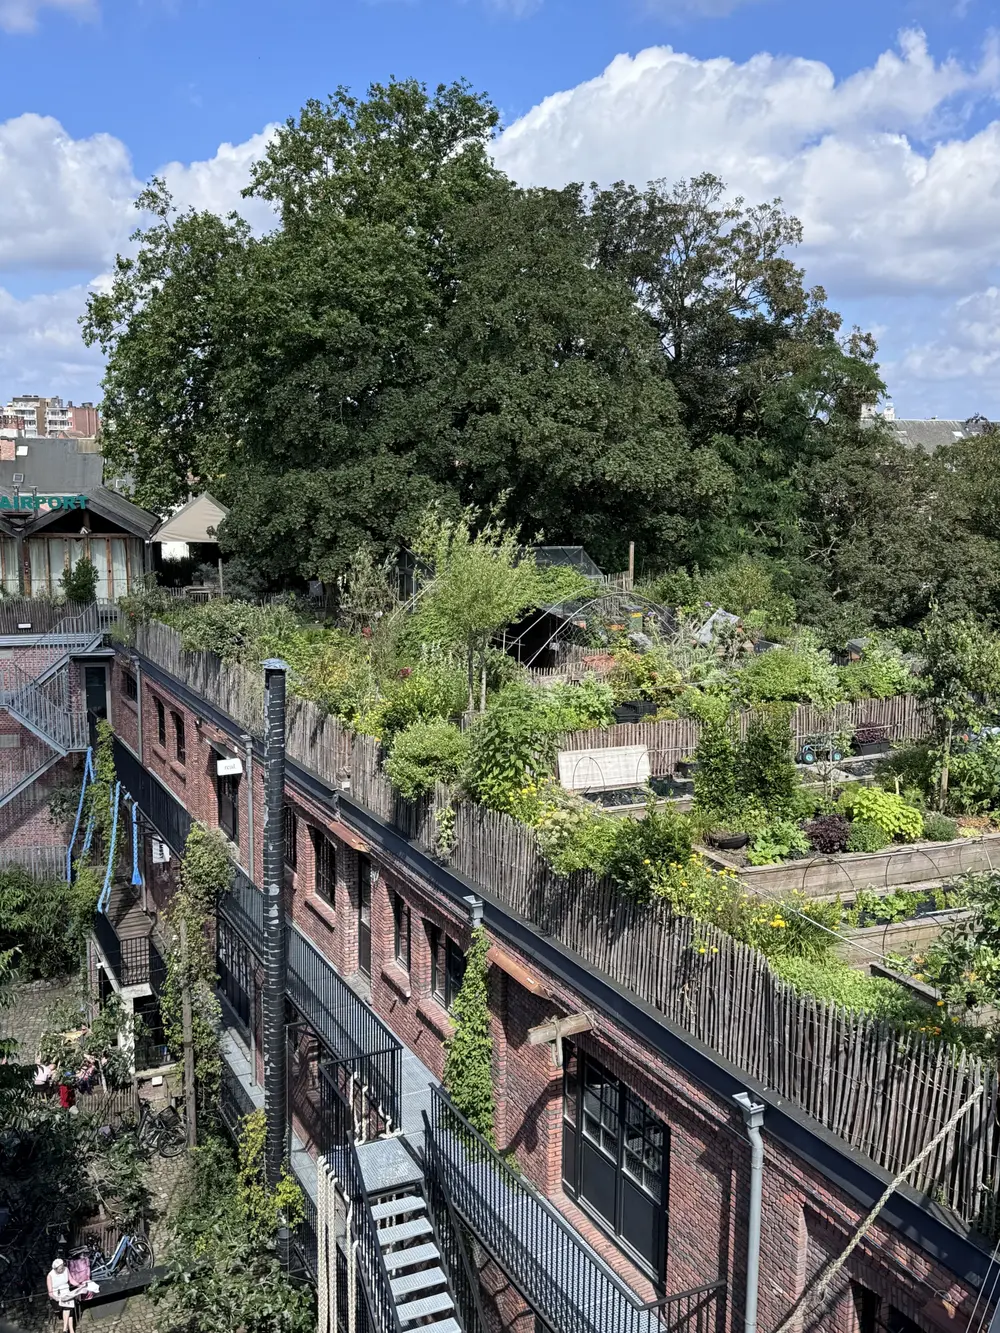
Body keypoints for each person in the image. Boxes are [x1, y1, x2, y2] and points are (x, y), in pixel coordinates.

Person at [47, 1257, 80, 1333]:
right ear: (55, 1269)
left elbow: (71, 1280)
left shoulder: (66, 1269)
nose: (62, 1270)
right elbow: (50, 1293)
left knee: (68, 1305)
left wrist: (79, 1285)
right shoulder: (50, 1276)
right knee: (68, 1306)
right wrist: (57, 1298)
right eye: (60, 1269)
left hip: (66, 1294)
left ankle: (66, 1329)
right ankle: (69, 1330)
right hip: (56, 1298)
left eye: (62, 1268)